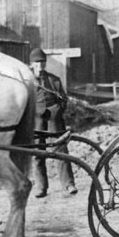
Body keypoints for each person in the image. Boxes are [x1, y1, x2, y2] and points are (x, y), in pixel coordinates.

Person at [30, 48, 77, 198]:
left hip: (54, 120)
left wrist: (57, 111)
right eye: (37, 64)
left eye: (42, 63)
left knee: (60, 149)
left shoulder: (54, 80)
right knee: (37, 153)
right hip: (35, 121)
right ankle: (41, 187)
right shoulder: (27, 82)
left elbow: (63, 100)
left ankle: (68, 184)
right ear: (31, 65)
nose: (40, 67)